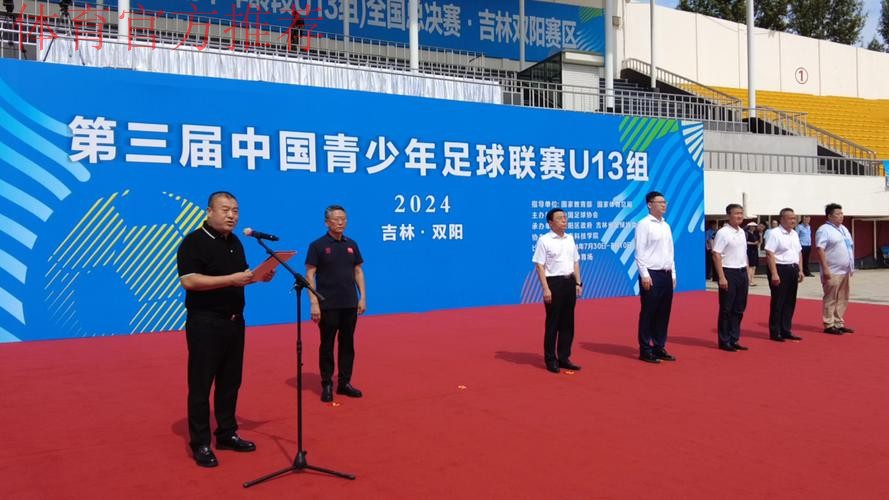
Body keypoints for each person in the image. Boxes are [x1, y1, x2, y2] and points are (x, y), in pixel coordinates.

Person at [177, 191, 274, 468]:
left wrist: (259, 277)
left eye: (235, 210)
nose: (232, 215)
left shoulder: (235, 243)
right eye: (225, 209)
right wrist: (232, 279)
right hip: (205, 322)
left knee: (230, 382)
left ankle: (227, 433)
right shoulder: (193, 242)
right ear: (209, 211)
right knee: (201, 384)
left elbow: (241, 278)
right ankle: (201, 443)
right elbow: (189, 281)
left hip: (235, 321)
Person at [306, 205, 367, 402]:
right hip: (328, 304)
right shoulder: (317, 245)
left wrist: (362, 297)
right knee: (327, 344)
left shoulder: (352, 244)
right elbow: (310, 275)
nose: (341, 222)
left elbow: (358, 271)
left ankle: (344, 383)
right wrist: (314, 302)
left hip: (349, 303)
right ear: (327, 222)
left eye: (344, 219)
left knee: (347, 344)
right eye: (336, 219)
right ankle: (327, 384)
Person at [532, 207, 582, 373]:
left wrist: (578, 283)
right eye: (560, 218)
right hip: (554, 283)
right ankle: (550, 359)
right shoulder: (544, 240)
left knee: (568, 323)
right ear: (550, 222)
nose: (564, 220)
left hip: (569, 282)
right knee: (553, 323)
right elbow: (539, 266)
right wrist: (546, 288)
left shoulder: (570, 238)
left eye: (565, 217)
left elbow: (575, 262)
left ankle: (564, 357)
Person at [634, 191, 677, 364]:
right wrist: (644, 274)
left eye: (664, 202)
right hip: (651, 274)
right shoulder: (644, 224)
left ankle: (659, 346)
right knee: (649, 312)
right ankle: (645, 349)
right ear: (649, 204)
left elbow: (670, 251)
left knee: (663, 312)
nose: (664, 205)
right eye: (660, 202)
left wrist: (673, 273)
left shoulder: (665, 225)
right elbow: (640, 251)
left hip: (666, 273)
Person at [712, 204, 750, 352]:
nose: (740, 216)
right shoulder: (723, 233)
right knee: (726, 308)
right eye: (736, 213)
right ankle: (724, 340)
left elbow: (744, 253)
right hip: (728, 272)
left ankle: (734, 338)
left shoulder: (742, 232)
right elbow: (716, 254)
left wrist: (747, 272)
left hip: (741, 272)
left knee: (739, 308)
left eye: (741, 213)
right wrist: (721, 277)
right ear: (729, 215)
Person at [764, 208, 804, 343]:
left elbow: (799, 253)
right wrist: (774, 273)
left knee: (790, 301)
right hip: (780, 268)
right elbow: (769, 253)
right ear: (782, 219)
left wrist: (800, 270)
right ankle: (775, 331)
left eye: (794, 218)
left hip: (793, 268)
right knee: (778, 301)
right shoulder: (774, 233)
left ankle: (786, 330)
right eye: (790, 218)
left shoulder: (794, 234)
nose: (793, 221)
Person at [815, 203, 855, 335]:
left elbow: (849, 246)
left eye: (842, 213)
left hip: (845, 270)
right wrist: (825, 268)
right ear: (829, 216)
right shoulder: (824, 230)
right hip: (832, 270)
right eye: (838, 214)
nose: (841, 216)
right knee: (831, 297)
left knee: (843, 297)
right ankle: (829, 324)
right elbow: (820, 249)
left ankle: (839, 322)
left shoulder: (843, 229)